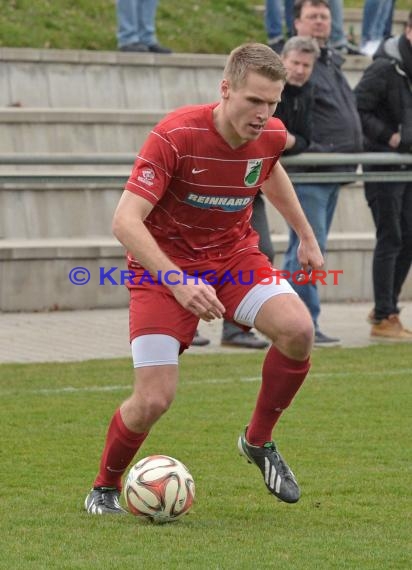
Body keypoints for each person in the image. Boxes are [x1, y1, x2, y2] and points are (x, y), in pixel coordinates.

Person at [84, 42, 324, 515]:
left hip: (234, 258)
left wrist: (306, 235)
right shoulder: (175, 135)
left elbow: (268, 171)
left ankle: (257, 441)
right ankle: (105, 487)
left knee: (299, 331)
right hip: (163, 271)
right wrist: (178, 282)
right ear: (225, 89)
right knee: (154, 399)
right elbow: (125, 222)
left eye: (272, 103)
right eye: (254, 100)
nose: (263, 114)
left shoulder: (270, 134)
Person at [283, 0, 363, 347]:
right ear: (297, 22)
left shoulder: (327, 58)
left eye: (325, 17)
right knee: (305, 249)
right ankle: (299, 324)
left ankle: (301, 323)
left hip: (332, 170)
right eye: (312, 16)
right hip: (311, 172)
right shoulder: (291, 64)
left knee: (310, 248)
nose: (319, 22)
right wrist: (313, 149)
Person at [354, 10, 412, 341]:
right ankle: (384, 314)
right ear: (408, 31)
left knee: (408, 237)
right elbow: (357, 108)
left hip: (407, 167)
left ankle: (385, 310)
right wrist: (390, 136)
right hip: (384, 165)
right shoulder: (384, 67)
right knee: (390, 237)